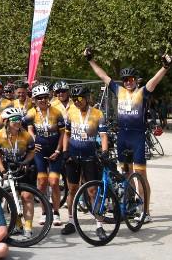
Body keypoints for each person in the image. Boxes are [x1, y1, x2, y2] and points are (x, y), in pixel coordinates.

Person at [85, 47, 172, 224]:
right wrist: (90, 60)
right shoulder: (119, 91)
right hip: (123, 137)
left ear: (136, 81)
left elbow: (154, 81)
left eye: (131, 79)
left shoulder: (142, 92)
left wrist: (165, 67)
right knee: (126, 174)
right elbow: (103, 76)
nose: (128, 82)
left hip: (138, 138)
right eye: (125, 80)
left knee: (141, 175)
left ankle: (146, 211)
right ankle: (131, 204)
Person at [60, 86, 108, 236]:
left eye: (80, 99)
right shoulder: (71, 112)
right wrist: (65, 151)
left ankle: (99, 225)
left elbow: (104, 136)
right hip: (73, 156)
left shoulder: (98, 114)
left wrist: (105, 152)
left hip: (89, 156)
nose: (77, 102)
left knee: (92, 191)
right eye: (74, 100)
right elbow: (66, 134)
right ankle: (71, 222)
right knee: (72, 190)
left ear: (87, 98)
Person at [0, 107, 36, 239]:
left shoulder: (26, 135)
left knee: (27, 196)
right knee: (10, 196)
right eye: (14, 119)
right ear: (6, 122)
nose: (18, 122)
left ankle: (28, 227)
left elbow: (32, 152)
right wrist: (2, 170)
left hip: (22, 165)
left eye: (20, 119)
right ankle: (18, 224)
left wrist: (25, 162)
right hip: (6, 166)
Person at [25, 84, 67, 225]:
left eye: (44, 97)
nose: (42, 100)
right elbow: (28, 129)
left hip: (55, 149)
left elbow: (62, 133)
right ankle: (44, 212)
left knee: (54, 182)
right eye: (39, 98)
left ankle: (56, 212)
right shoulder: (32, 113)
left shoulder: (56, 112)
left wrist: (58, 150)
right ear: (35, 99)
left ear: (48, 97)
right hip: (40, 150)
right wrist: (33, 139)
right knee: (42, 182)